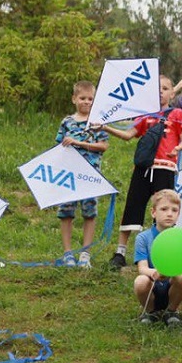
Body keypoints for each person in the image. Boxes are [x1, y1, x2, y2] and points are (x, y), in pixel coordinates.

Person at [100, 76, 182, 269]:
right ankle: (120, 252)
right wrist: (105, 126)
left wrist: (178, 149)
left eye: (165, 88)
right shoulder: (145, 115)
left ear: (171, 93)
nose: (160, 91)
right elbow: (128, 135)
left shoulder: (177, 113)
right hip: (143, 167)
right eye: (157, 88)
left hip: (165, 167)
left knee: (164, 210)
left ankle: (162, 253)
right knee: (133, 206)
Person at [54, 80, 109, 268]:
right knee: (66, 212)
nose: (86, 102)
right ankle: (68, 253)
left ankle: (85, 254)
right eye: (82, 98)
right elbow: (58, 146)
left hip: (90, 175)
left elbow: (104, 146)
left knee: (89, 212)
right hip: (69, 176)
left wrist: (81, 144)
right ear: (74, 99)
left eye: (90, 99)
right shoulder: (67, 122)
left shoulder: (97, 123)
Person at [132, 190, 182, 326]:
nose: (169, 214)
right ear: (153, 212)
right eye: (164, 209)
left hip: (172, 286)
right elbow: (142, 268)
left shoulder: (181, 238)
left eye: (174, 210)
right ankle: (150, 312)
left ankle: (171, 311)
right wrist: (155, 273)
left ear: (178, 214)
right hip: (151, 286)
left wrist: (169, 272)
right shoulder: (143, 238)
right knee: (140, 281)